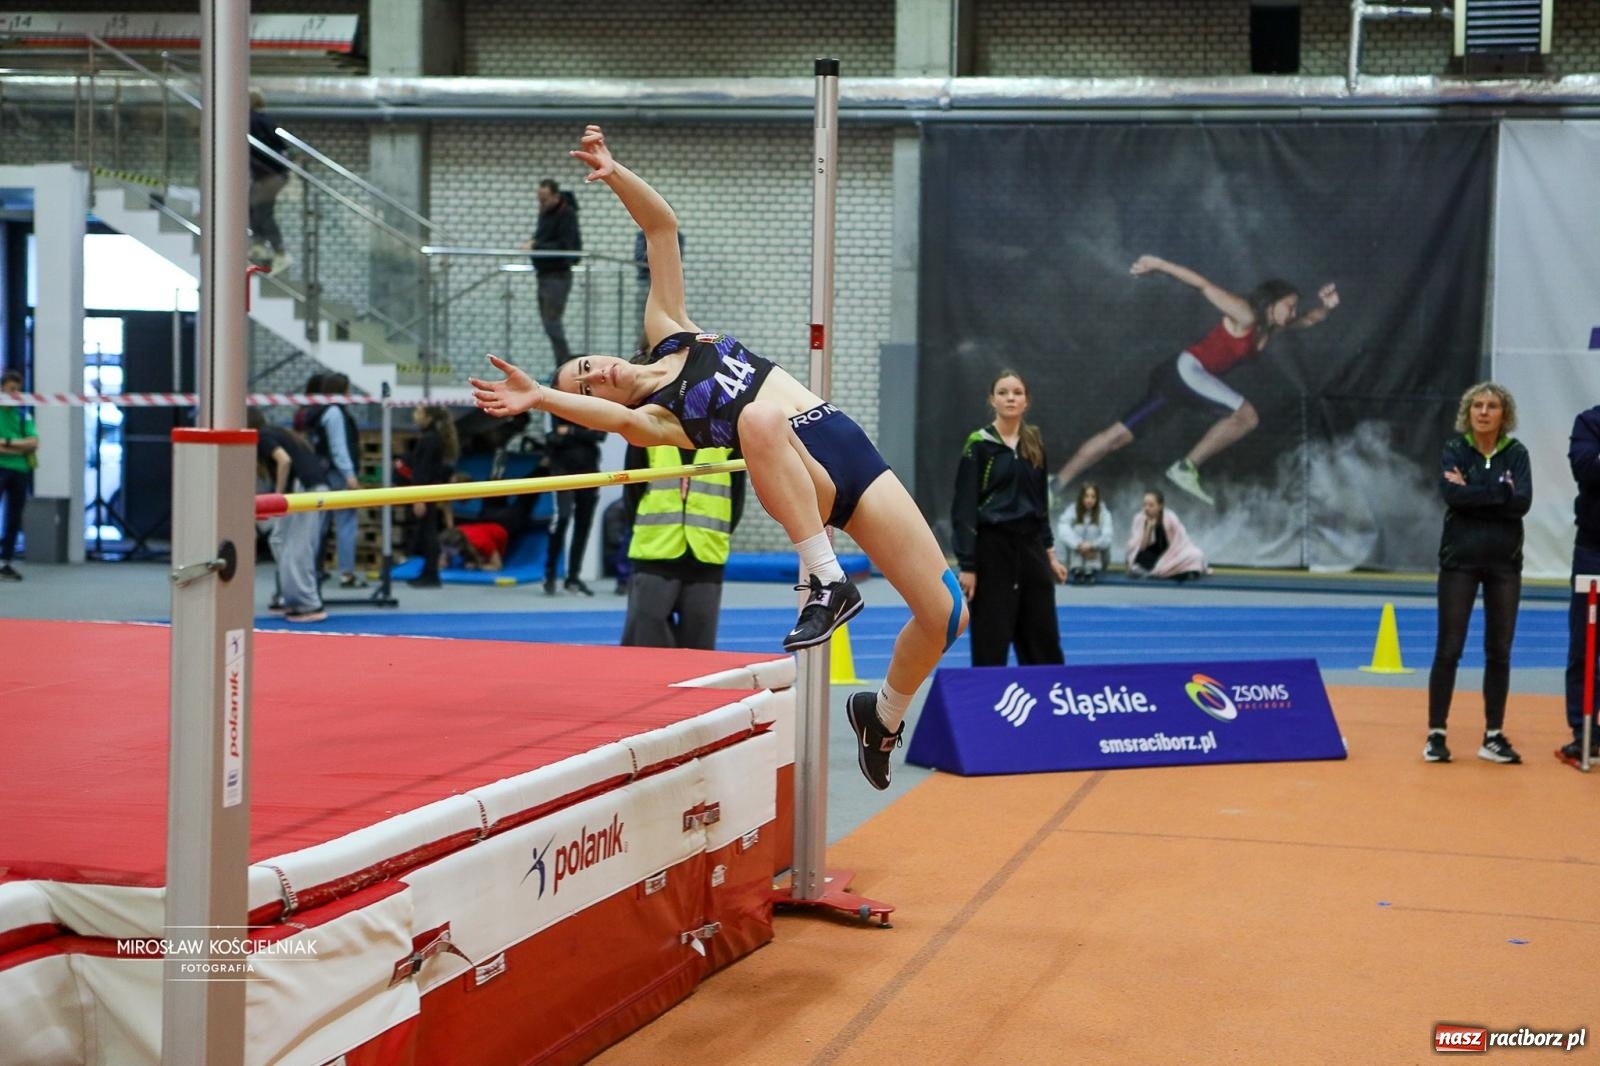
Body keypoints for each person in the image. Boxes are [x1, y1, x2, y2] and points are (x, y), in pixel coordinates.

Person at [470, 125, 968, 791]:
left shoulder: (667, 326)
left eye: (587, 365)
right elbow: (614, 419)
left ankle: (881, 716)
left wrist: (615, 174)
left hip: (842, 443)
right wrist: (542, 399)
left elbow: (661, 229)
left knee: (945, 612)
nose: (598, 375)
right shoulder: (658, 419)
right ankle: (827, 581)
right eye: (584, 383)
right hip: (797, 468)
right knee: (760, 415)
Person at [1055, 255, 1340, 506]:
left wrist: (1326, 308)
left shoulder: (1271, 329)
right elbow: (1202, 284)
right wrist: (1160, 265)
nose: (1292, 313)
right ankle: (1186, 467)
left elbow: (1308, 320)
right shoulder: (1245, 313)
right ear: (1272, 302)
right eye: (1289, 306)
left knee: (1115, 438)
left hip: (1176, 381)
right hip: (1187, 372)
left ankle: (1054, 485)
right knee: (1247, 416)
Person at [1423, 382, 1531, 766]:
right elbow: (1453, 497)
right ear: (1468, 412)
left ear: (1505, 415)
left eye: (1492, 406)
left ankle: (1493, 736)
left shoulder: (1517, 454)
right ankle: (1436, 734)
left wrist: (1476, 492)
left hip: (1505, 565)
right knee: (1448, 649)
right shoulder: (1454, 450)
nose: (1484, 412)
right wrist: (1498, 492)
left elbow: (1522, 502)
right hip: (1460, 563)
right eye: (1477, 406)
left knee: (1499, 651)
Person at [952, 370, 1066, 667]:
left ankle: (1048, 696)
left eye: (1017, 392)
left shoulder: (1034, 443)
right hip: (993, 549)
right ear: (992, 400)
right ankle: (990, 703)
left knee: (1042, 633)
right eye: (1003, 392)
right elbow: (964, 508)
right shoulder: (978, 444)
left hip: (1031, 549)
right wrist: (968, 565)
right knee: (992, 632)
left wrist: (1050, 555)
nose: (1010, 397)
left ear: (1026, 401)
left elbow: (1040, 504)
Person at [620, 442, 746, 650]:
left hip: (706, 554)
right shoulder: (645, 433)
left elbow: (736, 496)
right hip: (655, 552)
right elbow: (632, 493)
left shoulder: (726, 437)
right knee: (646, 649)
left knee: (699, 654)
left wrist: (714, 533)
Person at [248, 408, 329, 623]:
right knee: (279, 539)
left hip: (307, 490)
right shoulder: (275, 433)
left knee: (297, 548)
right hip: (307, 488)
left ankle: (310, 604)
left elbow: (284, 461)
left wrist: (278, 496)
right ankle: (290, 596)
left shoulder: (263, 437)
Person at [1560, 403, 1600, 768]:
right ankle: (1584, 734)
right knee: (1585, 646)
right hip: (1593, 550)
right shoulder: (1589, 421)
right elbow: (1588, 471)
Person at [542, 404, 606, 596]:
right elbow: (552, 438)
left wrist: (570, 431)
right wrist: (584, 431)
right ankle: (550, 573)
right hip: (562, 470)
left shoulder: (596, 402)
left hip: (589, 469)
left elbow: (600, 435)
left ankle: (573, 577)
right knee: (562, 518)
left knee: (583, 523)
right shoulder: (553, 403)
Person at [396, 405, 460, 589]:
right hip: (429, 489)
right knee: (427, 530)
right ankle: (428, 571)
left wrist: (419, 497)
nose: (414, 415)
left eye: (418, 412)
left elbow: (422, 471)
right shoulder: (431, 438)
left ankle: (431, 574)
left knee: (429, 532)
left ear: (428, 417)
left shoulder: (430, 440)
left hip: (427, 491)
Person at [313, 373, 366, 588]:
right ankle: (346, 573)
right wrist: (349, 474)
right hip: (337, 474)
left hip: (328, 472)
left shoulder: (326, 411)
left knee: (322, 524)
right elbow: (338, 447)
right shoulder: (335, 413)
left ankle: (314, 569)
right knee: (346, 522)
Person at [522, 178, 582, 364]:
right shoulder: (546, 212)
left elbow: (568, 247)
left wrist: (536, 245)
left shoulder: (566, 214)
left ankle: (564, 364)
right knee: (549, 323)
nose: (541, 203)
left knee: (552, 322)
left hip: (557, 275)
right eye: (539, 199)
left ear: (556, 196)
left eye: (545, 198)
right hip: (544, 273)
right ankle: (562, 363)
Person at [248, 88, 291, 276]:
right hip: (273, 174)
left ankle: (280, 253)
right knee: (253, 206)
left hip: (270, 175)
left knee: (263, 211)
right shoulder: (265, 120)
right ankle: (259, 244)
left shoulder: (251, 120)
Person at [0, 369, 38, 581]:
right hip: (1, 467)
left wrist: (5, 443)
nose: (15, 393)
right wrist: (18, 446)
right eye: (11, 389)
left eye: (18, 390)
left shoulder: (23, 414)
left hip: (20, 470)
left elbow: (34, 443)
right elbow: (26, 444)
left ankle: (5, 563)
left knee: (14, 518)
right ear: (2, 389)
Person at [1125, 490, 1206, 580]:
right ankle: (1173, 573)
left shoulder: (1170, 518)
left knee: (1196, 555)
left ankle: (1168, 572)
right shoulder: (1139, 519)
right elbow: (1141, 547)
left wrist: (1171, 555)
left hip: (1173, 554)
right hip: (1151, 555)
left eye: (1151, 505)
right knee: (1138, 559)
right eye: (1145, 505)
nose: (1147, 508)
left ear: (1160, 506)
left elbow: (1181, 542)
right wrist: (1148, 528)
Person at [1058, 482, 1114, 585]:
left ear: (1097, 499)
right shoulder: (1072, 509)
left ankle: (1091, 569)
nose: (1090, 500)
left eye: (1093, 497)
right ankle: (1077, 568)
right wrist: (1079, 545)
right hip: (1077, 554)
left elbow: (1107, 536)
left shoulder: (1104, 512)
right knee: (1078, 528)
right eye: (1086, 496)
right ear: (1081, 497)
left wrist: (1091, 546)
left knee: (1093, 529)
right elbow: (1063, 529)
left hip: (1095, 556)